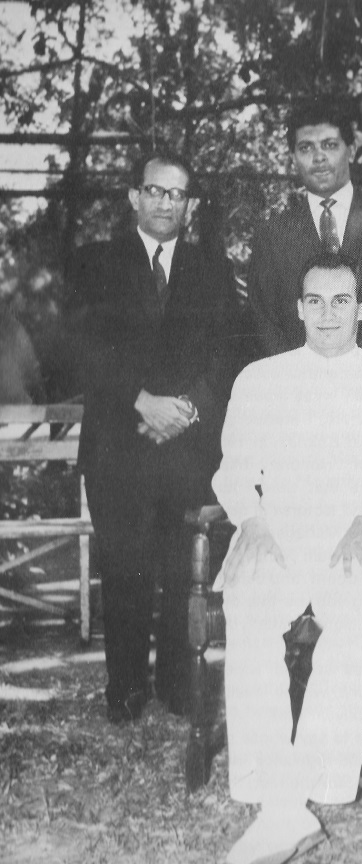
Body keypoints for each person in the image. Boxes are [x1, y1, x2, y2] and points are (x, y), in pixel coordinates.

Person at [213, 253, 362, 864]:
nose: (328, 313)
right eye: (315, 301)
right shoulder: (260, 378)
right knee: (249, 611)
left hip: (359, 534)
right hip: (279, 531)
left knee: (354, 622)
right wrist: (251, 523)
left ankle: (309, 790)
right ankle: (276, 796)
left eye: (342, 301)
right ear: (298, 308)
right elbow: (233, 471)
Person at [68, 150, 236, 723]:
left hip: (186, 449)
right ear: (134, 197)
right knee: (125, 568)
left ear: (189, 206)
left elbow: (226, 353)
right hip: (118, 444)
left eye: (177, 194)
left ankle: (177, 684)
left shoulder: (211, 268)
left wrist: (187, 409)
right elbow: (78, 348)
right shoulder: (94, 263)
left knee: (179, 569)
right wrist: (141, 400)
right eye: (155, 191)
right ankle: (126, 687)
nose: (166, 202)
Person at [247, 97, 362, 375]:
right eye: (306, 147)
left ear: (352, 149)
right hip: (299, 392)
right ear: (293, 157)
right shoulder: (271, 235)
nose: (318, 157)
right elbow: (265, 325)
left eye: (330, 145)